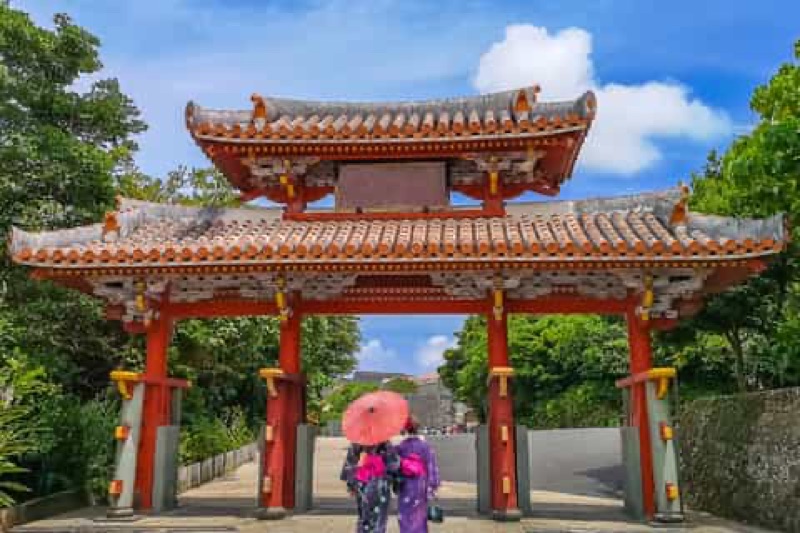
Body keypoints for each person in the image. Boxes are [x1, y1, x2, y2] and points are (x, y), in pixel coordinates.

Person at [340, 440, 400, 533]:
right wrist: (396, 483)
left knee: (364, 515)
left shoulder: (358, 440)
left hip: (363, 482)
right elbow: (394, 466)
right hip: (382, 483)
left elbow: (350, 462)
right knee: (380, 517)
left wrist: (351, 484)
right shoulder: (385, 442)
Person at [395, 416, 441, 533]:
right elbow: (431, 465)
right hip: (421, 484)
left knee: (405, 512)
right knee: (419, 514)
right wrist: (433, 486)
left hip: (405, 484)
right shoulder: (424, 446)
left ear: (405, 429)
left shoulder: (401, 447)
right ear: (418, 428)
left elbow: (394, 465)